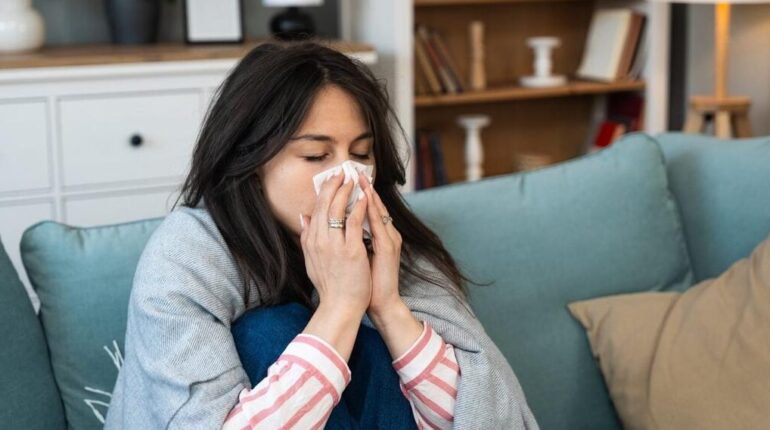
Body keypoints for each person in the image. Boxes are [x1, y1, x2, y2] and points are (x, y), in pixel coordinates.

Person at [104, 41, 539, 430]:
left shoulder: (391, 243)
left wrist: (387, 307)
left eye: (361, 153)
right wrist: (340, 308)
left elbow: (482, 415)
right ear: (252, 161)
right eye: (316, 155)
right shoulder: (188, 257)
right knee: (268, 331)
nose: (346, 176)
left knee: (376, 345)